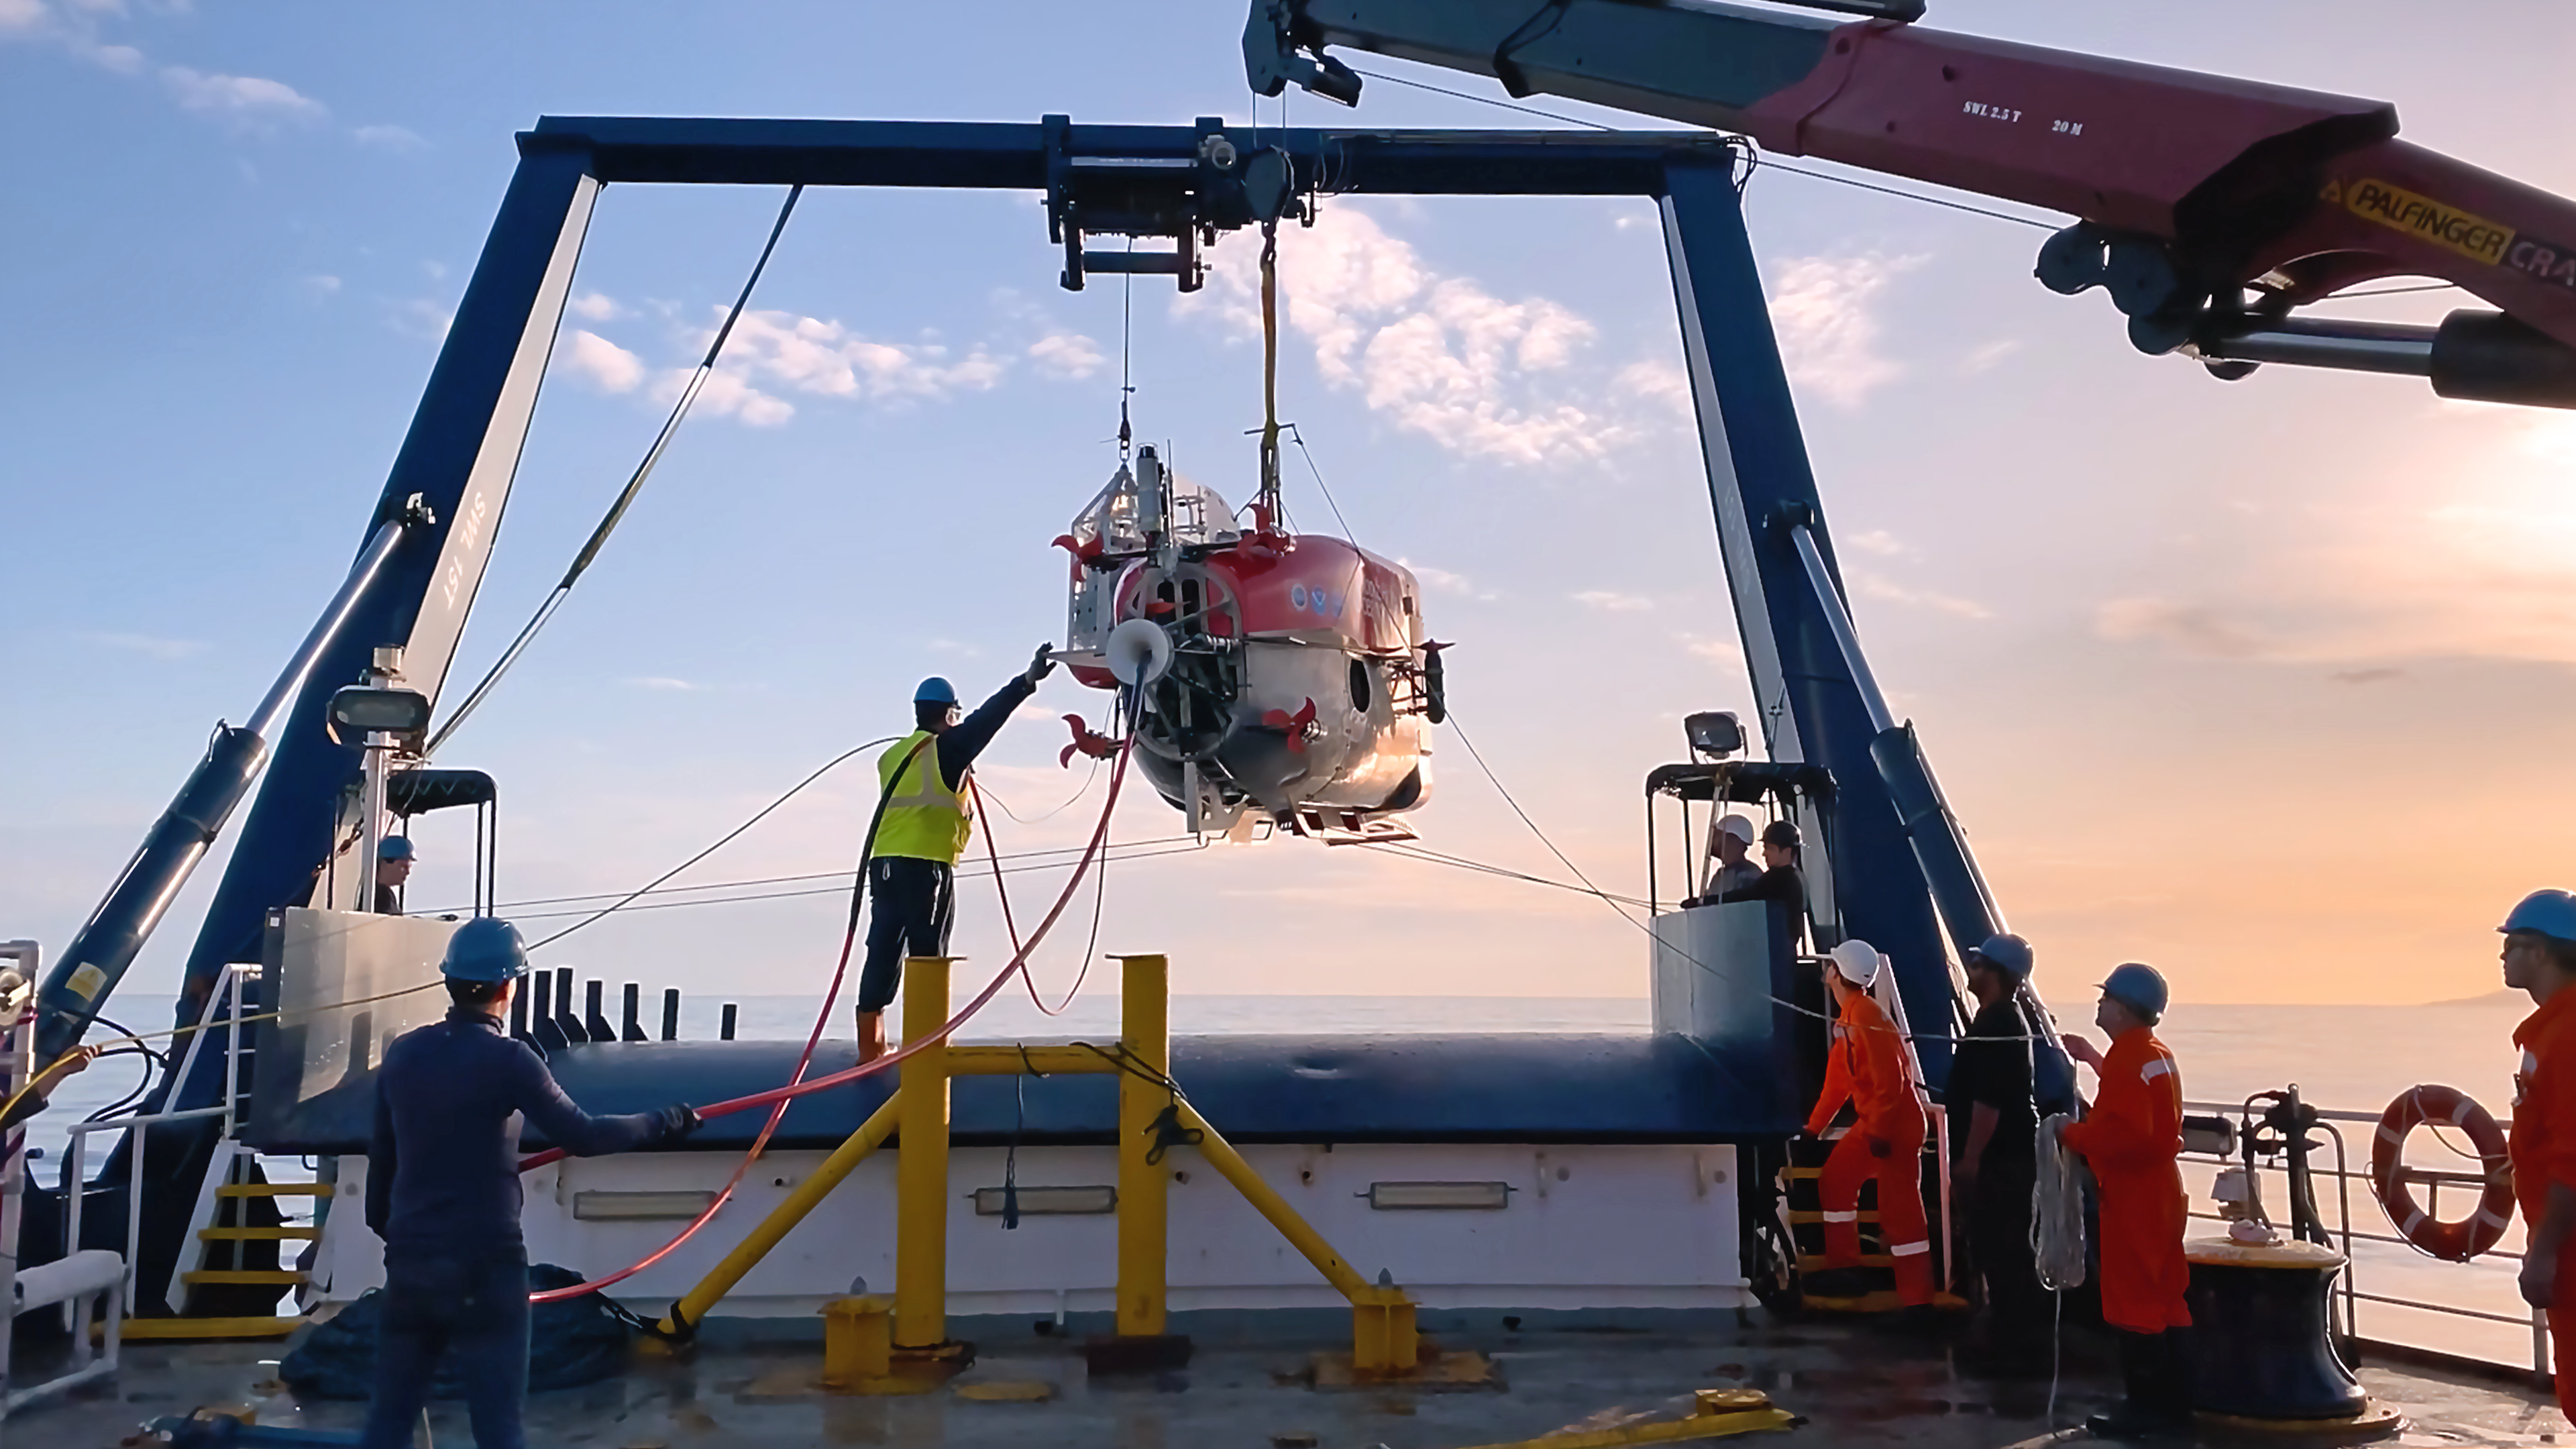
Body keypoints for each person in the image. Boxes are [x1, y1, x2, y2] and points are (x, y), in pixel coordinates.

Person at [362, 918, 698, 1449]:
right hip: (485, 1270)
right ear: (509, 986)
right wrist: (665, 1121)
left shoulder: (403, 1054)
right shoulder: (511, 1060)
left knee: (387, 1425)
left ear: (449, 981)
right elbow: (583, 1135)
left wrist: (406, 1246)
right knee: (498, 1431)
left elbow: (381, 1173)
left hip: (411, 1267)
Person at [857, 647, 1057, 1062]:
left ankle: (870, 1049)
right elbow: (989, 718)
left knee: (881, 951)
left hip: (884, 867)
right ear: (949, 715)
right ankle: (926, 1052)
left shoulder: (891, 756)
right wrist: (1028, 681)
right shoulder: (946, 750)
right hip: (927, 867)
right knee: (928, 956)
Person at [2056, 961, 2191, 1439]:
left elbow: (2125, 1136)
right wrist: (2093, 1058)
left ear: (2125, 1008)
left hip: (2135, 1195)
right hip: (2162, 1193)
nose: (2100, 1003)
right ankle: (2175, 1404)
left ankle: (2145, 1409)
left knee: (2133, 1301)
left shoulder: (2130, 1058)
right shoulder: (2151, 1052)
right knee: (2167, 1296)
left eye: (2106, 998)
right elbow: (2137, 1104)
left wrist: (2068, 1132)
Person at [1803, 939, 1934, 1309]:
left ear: (1835, 973)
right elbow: (1840, 1083)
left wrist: (1878, 1132)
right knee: (1837, 1180)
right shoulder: (1851, 1017)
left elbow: (1890, 1081)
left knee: (1901, 1213)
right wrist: (1813, 1130)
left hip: (1894, 1127)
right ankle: (1845, 1268)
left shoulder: (1865, 1017)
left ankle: (1918, 1303)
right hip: (1877, 1122)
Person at [1945, 932, 2047, 1373]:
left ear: (1996, 974)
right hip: (2006, 1157)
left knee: (2004, 1253)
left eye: (1979, 965)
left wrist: (1970, 1158)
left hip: (2002, 1161)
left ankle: (2014, 1353)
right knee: (2000, 1253)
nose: (1972, 972)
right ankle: (2009, 1344)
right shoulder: (1997, 1018)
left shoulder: (1999, 1023)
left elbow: (1989, 1102)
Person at [2502, 889, 2576, 1424]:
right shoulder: (2550, 1031)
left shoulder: (2566, 1037)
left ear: (2542, 952)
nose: (2504, 957)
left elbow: (2573, 1156)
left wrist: (2546, 1252)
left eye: (2513, 946)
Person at [1691, 813, 1762, 903]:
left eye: (1717, 835)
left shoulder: (1748, 874)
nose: (1712, 840)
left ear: (1733, 840)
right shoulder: (1720, 874)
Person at [374, 836, 415, 916]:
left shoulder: (387, 894)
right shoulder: (382, 897)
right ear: (384, 864)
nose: (408, 872)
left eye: (409, 867)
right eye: (403, 867)